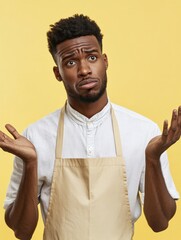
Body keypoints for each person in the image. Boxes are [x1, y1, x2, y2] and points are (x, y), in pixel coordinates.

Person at [0, 14, 180, 240]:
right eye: (71, 62)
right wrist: (30, 163)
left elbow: (160, 223)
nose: (84, 70)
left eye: (92, 57)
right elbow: (22, 231)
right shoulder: (35, 137)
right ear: (58, 73)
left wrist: (152, 159)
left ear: (105, 61)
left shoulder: (143, 132)